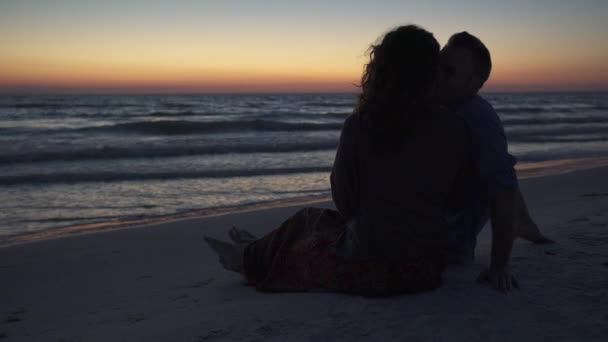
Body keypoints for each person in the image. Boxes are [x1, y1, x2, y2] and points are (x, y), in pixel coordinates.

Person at [204, 25, 472, 296]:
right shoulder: (456, 127)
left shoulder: (361, 125)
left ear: (381, 70)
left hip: (373, 270)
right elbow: (457, 197)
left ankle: (246, 258)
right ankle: (256, 247)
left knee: (305, 234)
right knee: (312, 218)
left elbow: (345, 202)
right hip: (426, 268)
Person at [437, 32, 552, 290]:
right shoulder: (436, 102)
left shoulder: (477, 117)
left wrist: (499, 265)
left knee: (497, 169)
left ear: (475, 82)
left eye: (449, 71)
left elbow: (503, 189)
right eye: (437, 66)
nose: (438, 76)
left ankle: (521, 225)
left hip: (450, 241)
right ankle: (523, 224)